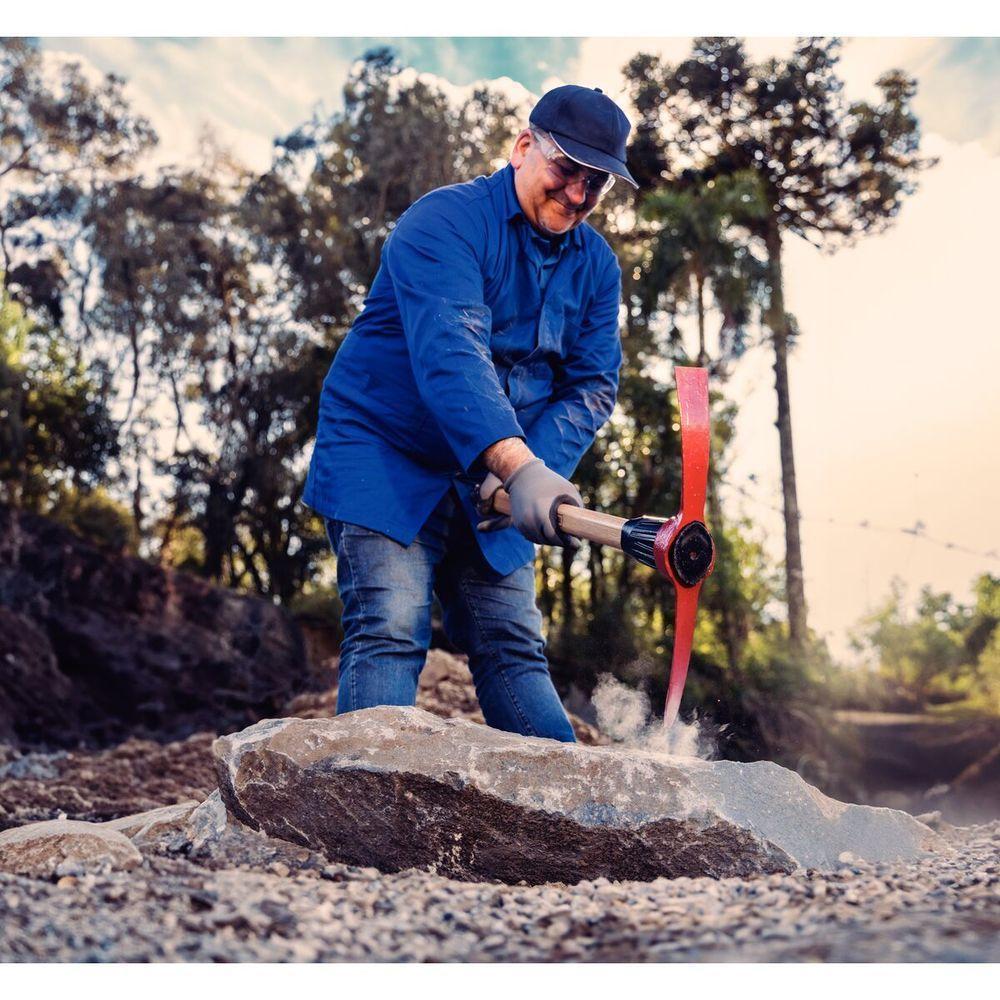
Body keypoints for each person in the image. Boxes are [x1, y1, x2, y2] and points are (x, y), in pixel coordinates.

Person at [302, 84, 636, 742]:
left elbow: (593, 383)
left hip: (497, 477)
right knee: (392, 624)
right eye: (566, 170)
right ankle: (366, 819)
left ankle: (567, 824)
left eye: (595, 184)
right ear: (521, 148)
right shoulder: (442, 222)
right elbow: (450, 353)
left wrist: (528, 471)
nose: (576, 195)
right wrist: (515, 464)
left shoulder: (598, 268)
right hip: (386, 451)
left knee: (513, 645)